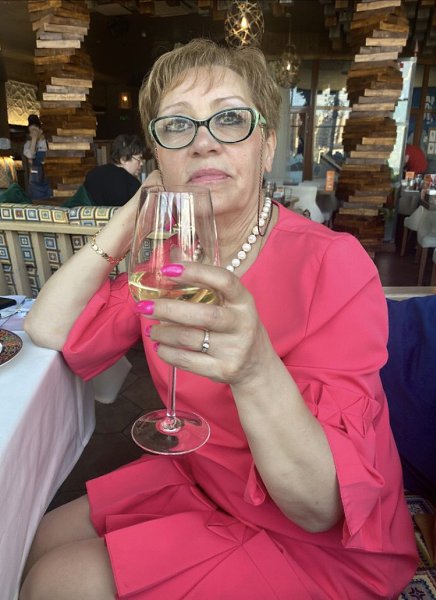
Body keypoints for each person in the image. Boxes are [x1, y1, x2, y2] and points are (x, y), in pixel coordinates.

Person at [21, 39, 417, 599]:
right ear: (159, 156)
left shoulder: (335, 265)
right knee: (34, 541)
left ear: (266, 145)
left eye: (229, 119)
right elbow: (48, 328)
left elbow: (318, 507)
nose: (203, 141)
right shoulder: (167, 261)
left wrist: (255, 369)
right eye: (177, 126)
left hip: (316, 543)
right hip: (201, 477)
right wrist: (133, 216)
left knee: (55, 583)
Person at [84, 134, 146, 206]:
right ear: (123, 159)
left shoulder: (92, 175)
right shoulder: (132, 183)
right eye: (139, 159)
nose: (141, 163)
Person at [23, 114, 52, 201]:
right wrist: (34, 140)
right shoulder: (28, 144)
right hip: (35, 176)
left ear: (40, 130)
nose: (33, 133)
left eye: (35, 130)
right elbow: (30, 156)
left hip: (48, 175)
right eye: (31, 131)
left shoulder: (48, 143)